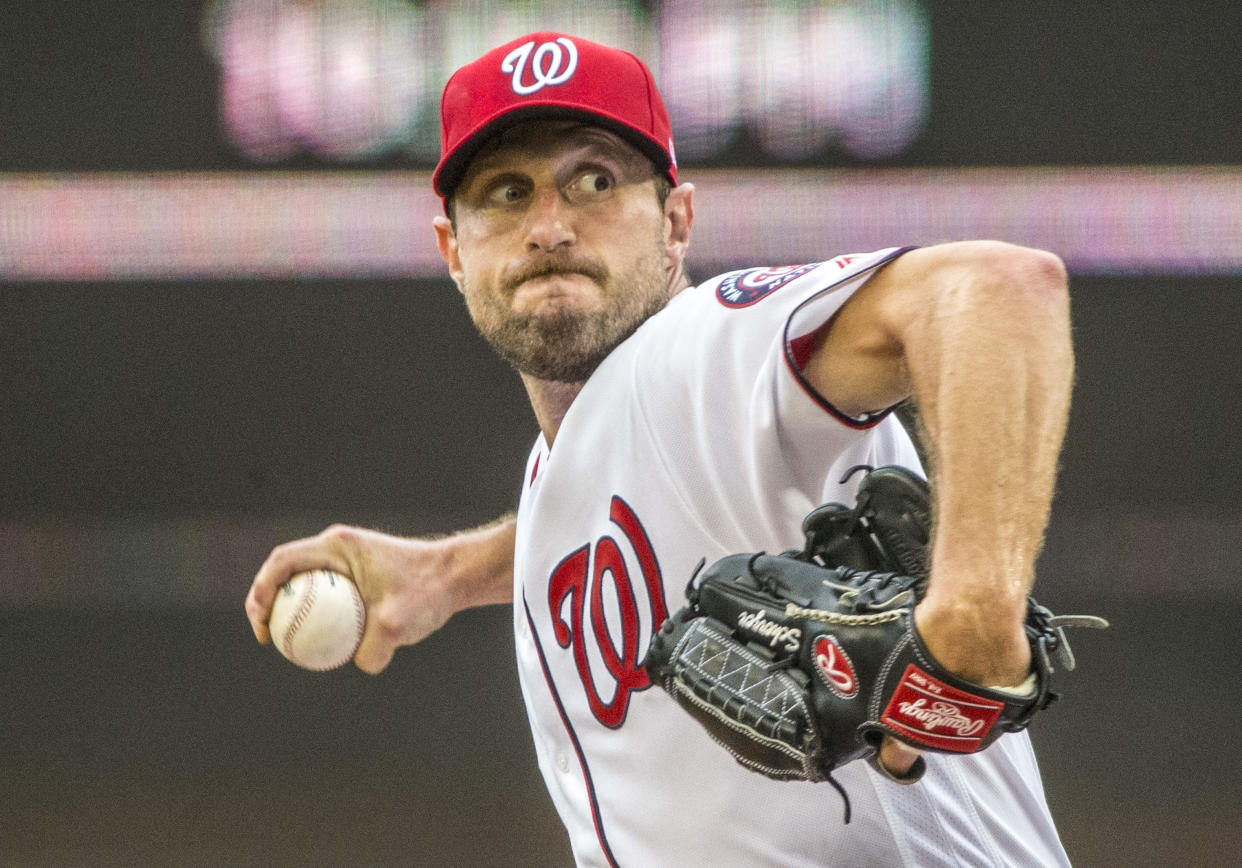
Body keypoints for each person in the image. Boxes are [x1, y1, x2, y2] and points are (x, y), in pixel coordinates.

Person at [246, 31, 1075, 866]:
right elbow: (626, 491)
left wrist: (975, 614)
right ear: (454, 251)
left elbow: (998, 293)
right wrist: (450, 574)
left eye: (594, 181)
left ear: (676, 222)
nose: (548, 226)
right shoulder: (577, 457)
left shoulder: (706, 347)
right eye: (505, 192)